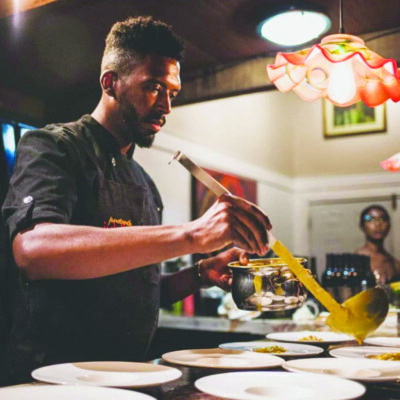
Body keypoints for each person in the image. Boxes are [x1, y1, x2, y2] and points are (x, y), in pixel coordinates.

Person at [0, 16, 272, 385]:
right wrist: (193, 235)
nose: (166, 106)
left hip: (129, 377)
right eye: (154, 88)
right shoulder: (53, 146)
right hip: (52, 380)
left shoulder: (144, 183)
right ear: (110, 83)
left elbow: (136, 289)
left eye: (172, 93)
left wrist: (199, 274)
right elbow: (33, 251)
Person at [355, 204, 400, 285]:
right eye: (371, 219)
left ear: (389, 226)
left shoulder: (395, 264)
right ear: (362, 226)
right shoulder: (356, 260)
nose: (378, 224)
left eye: (383, 219)